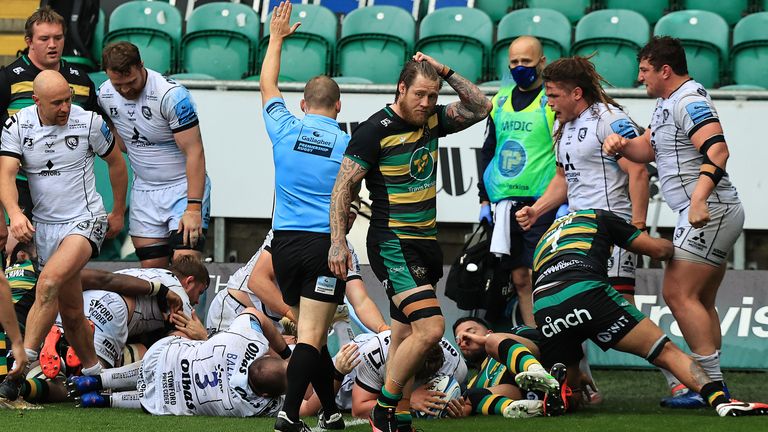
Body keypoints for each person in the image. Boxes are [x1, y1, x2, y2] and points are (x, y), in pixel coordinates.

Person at [328, 47, 491, 431]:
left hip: (425, 243)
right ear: (401, 88)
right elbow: (342, 188)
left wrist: (443, 70)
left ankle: (399, 418)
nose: (427, 102)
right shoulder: (373, 131)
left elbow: (481, 106)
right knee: (431, 329)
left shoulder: (433, 119)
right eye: (419, 94)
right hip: (392, 243)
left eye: (432, 96)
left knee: (402, 334)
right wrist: (337, 240)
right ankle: (384, 410)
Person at [510, 208, 767, 417]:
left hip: (545, 306)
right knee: (666, 352)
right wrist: (678, 246)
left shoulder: (544, 239)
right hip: (585, 290)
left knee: (574, 391)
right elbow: (659, 251)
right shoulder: (600, 217)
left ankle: (561, 393)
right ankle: (720, 399)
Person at [602, 36, 746, 408]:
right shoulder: (668, 102)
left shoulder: (688, 100)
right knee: (700, 298)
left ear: (665, 70)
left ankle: (710, 387)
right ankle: (715, 383)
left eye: (645, 70)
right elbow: (648, 149)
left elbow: (718, 150)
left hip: (708, 211)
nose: (640, 78)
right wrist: (622, 144)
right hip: (711, 211)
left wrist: (698, 200)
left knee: (678, 294)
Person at [0, 70, 127, 400]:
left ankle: (18, 371)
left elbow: (116, 163)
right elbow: (6, 174)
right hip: (45, 227)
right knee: (71, 315)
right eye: (57, 102)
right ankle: (95, 378)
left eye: (68, 99)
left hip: (85, 220)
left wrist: (117, 211)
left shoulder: (89, 123)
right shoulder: (18, 126)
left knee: (49, 283)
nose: (65, 107)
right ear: (37, 101)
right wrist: (14, 213)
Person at [260, 2, 351, 431]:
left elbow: (266, 83)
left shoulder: (284, 127)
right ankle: (289, 414)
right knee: (311, 338)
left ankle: (330, 412)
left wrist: (277, 38)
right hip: (322, 247)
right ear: (337, 106)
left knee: (312, 333)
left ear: (303, 103)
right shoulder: (347, 144)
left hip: (282, 247)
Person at [515, 56, 649, 300]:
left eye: (554, 96)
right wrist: (537, 210)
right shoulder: (562, 125)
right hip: (579, 232)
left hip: (613, 230)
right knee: (583, 309)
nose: (548, 102)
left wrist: (637, 229)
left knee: (619, 314)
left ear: (576, 93)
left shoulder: (609, 120)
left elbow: (638, 171)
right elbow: (563, 177)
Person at [0, 6, 102, 257]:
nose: (52, 44)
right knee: (18, 261)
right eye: (44, 38)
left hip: (66, 195)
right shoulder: (8, 79)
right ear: (29, 41)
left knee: (60, 272)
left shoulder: (80, 80)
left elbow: (101, 126)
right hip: (21, 187)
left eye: (58, 37)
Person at [98, 41, 210, 268]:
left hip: (181, 188)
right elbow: (118, 138)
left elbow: (194, 151)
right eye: (118, 84)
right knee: (153, 272)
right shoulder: (104, 94)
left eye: (131, 82)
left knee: (186, 266)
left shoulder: (172, 96)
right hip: (145, 190)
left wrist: (193, 208)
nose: (126, 90)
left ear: (141, 66)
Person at [68, 308, 292, 417]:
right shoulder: (259, 406)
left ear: (264, 356)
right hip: (172, 398)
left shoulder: (247, 341)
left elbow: (253, 312)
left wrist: (284, 352)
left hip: (166, 357)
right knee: (158, 399)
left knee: (157, 364)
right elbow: (301, 407)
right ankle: (102, 400)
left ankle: (96, 379)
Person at [477, 36, 557, 327]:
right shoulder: (499, 102)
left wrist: (563, 201)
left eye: (527, 62)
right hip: (506, 206)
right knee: (520, 277)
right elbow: (488, 150)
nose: (520, 67)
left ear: (542, 62)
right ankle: (536, 340)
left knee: (544, 275)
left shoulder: (552, 101)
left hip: (543, 203)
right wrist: (484, 199)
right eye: (515, 62)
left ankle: (558, 345)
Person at [450, 317, 555, 418]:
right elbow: (463, 407)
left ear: (489, 332)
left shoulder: (510, 334)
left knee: (492, 341)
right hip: (526, 395)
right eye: (459, 339)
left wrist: (485, 339)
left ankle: (539, 373)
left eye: (471, 332)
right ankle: (533, 408)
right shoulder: (473, 383)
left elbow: (537, 342)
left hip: (538, 365)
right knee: (470, 396)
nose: (465, 339)